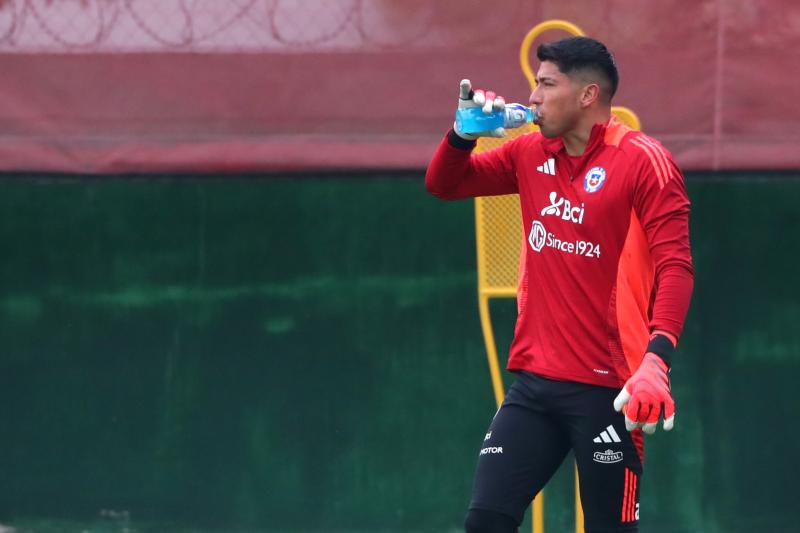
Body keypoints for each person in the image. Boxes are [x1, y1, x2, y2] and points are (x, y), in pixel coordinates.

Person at [425, 36, 694, 532]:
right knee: (485, 521)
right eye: (535, 84)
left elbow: (676, 266)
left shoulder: (643, 161)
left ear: (588, 95)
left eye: (547, 84)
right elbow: (444, 184)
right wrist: (461, 135)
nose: (533, 97)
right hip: (535, 386)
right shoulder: (529, 152)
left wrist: (656, 360)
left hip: (610, 390)